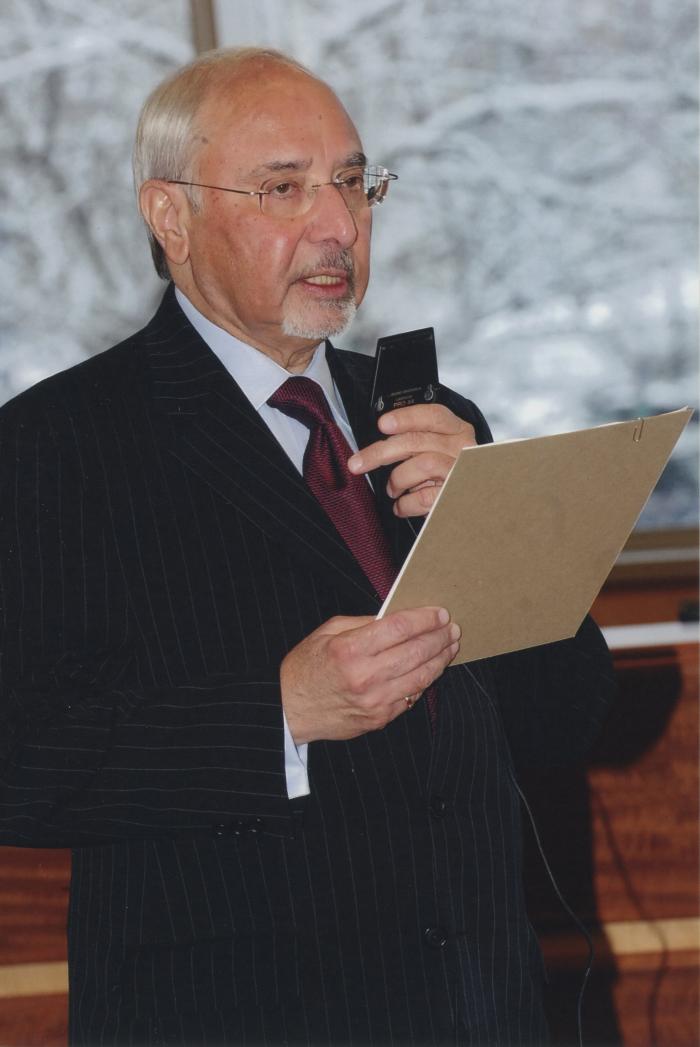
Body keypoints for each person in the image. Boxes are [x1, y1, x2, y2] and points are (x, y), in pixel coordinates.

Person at [0, 47, 614, 1046]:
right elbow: (19, 758)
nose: (338, 227)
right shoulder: (55, 446)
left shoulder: (429, 417)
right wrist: (276, 717)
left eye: (351, 183)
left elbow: (568, 717)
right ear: (170, 218)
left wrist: (508, 531)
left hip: (479, 1012)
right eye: (283, 188)